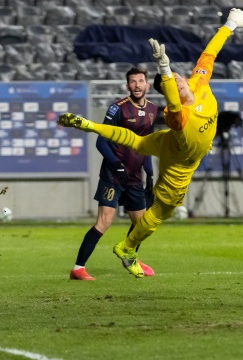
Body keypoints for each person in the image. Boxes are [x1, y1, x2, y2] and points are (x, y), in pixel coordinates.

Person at [59, 8, 243, 278]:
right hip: (179, 162)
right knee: (159, 213)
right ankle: (117, 252)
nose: (179, 81)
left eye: (177, 77)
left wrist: (229, 25)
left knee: (137, 147)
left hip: (154, 156)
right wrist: (164, 68)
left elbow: (209, 54)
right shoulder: (177, 116)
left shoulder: (197, 82)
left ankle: (130, 251)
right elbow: (172, 100)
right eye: (173, 81)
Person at [69, 66, 157, 281]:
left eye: (140, 81)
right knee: (104, 222)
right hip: (114, 175)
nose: (137, 85)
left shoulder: (154, 110)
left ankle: (130, 256)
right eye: (133, 82)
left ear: (147, 84)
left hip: (136, 176)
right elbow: (101, 141)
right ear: (127, 85)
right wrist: (117, 164)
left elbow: (146, 144)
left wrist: (150, 173)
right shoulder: (117, 109)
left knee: (141, 224)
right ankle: (78, 268)